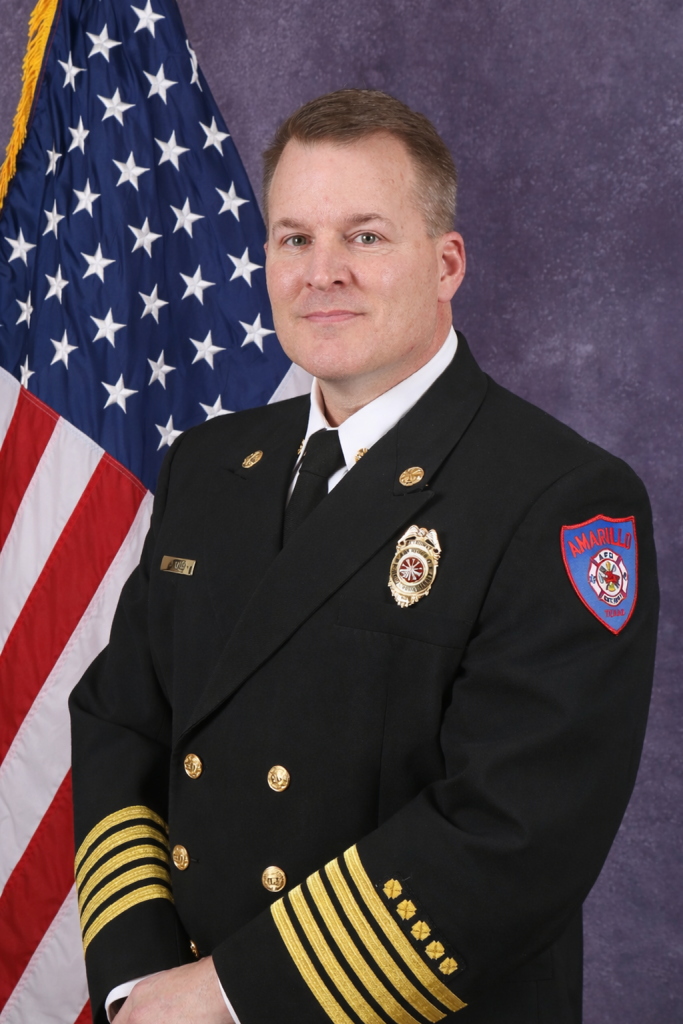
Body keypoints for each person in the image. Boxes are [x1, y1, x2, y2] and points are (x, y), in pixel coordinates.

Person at [69, 89, 659, 1024]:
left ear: (446, 263)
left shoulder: (557, 499)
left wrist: (226, 997)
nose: (321, 273)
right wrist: (142, 976)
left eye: (366, 237)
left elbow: (516, 831)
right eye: (293, 239)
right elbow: (119, 723)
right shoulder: (210, 467)